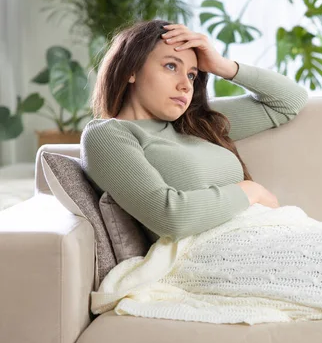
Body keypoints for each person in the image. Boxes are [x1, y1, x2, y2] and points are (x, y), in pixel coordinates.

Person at [81, 19, 308, 243]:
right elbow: (171, 218)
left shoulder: (197, 121)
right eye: (171, 66)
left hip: (267, 235)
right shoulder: (108, 135)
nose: (186, 84)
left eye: (191, 74)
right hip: (216, 254)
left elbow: (290, 100)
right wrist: (251, 191)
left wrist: (222, 66)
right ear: (131, 70)